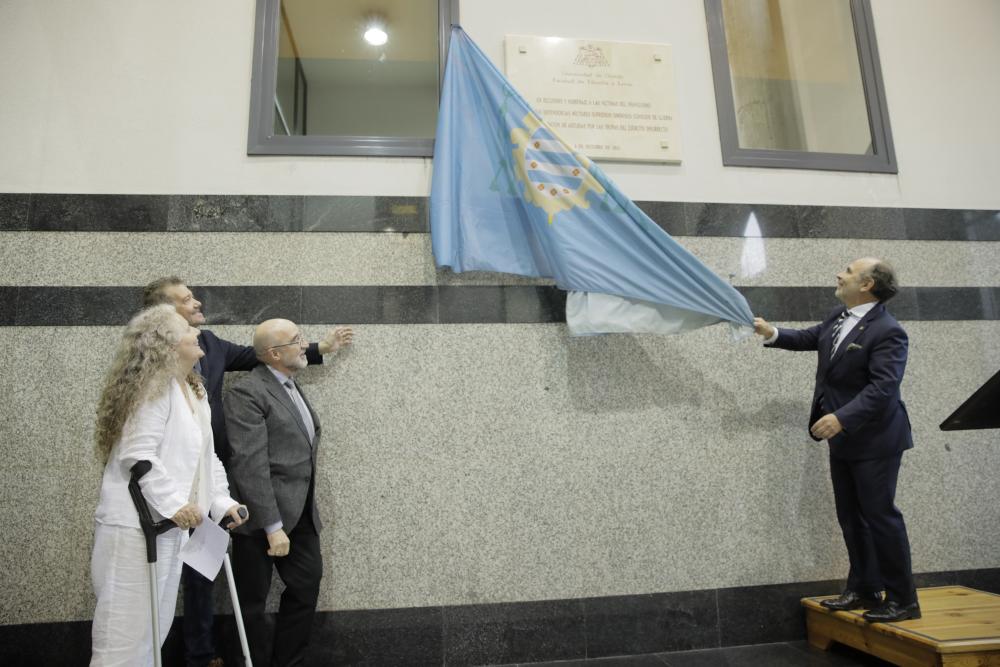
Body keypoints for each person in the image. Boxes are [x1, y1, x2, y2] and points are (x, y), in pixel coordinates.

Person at [141, 277, 352, 667]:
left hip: (216, 483)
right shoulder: (151, 373)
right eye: (187, 300)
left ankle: (205, 653)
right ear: (166, 316)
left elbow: (261, 352)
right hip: (173, 488)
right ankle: (199, 655)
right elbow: (140, 452)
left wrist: (319, 348)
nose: (197, 302)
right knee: (181, 580)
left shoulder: (214, 345)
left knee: (204, 571)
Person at [754, 258, 920, 623]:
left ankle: (903, 599)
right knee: (851, 517)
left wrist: (841, 417)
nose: (839, 274)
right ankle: (864, 587)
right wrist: (772, 332)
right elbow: (809, 338)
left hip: (875, 438)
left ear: (867, 285)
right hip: (842, 439)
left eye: (848, 270)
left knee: (880, 516)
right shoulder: (837, 317)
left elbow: (884, 388)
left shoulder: (888, 331)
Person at [90, 305, 248, 666]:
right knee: (122, 639)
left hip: (171, 529)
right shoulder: (152, 388)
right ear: (167, 342)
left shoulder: (194, 390)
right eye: (185, 328)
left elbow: (206, 460)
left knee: (152, 634)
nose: (195, 331)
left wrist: (221, 503)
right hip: (134, 529)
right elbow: (138, 455)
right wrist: (177, 503)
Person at [225, 319, 328, 667]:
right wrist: (272, 526)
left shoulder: (291, 385)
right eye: (296, 340)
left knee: (306, 586)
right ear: (273, 353)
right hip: (260, 520)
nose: (304, 344)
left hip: (300, 516)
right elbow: (250, 464)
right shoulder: (247, 392)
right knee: (251, 603)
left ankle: (289, 662)